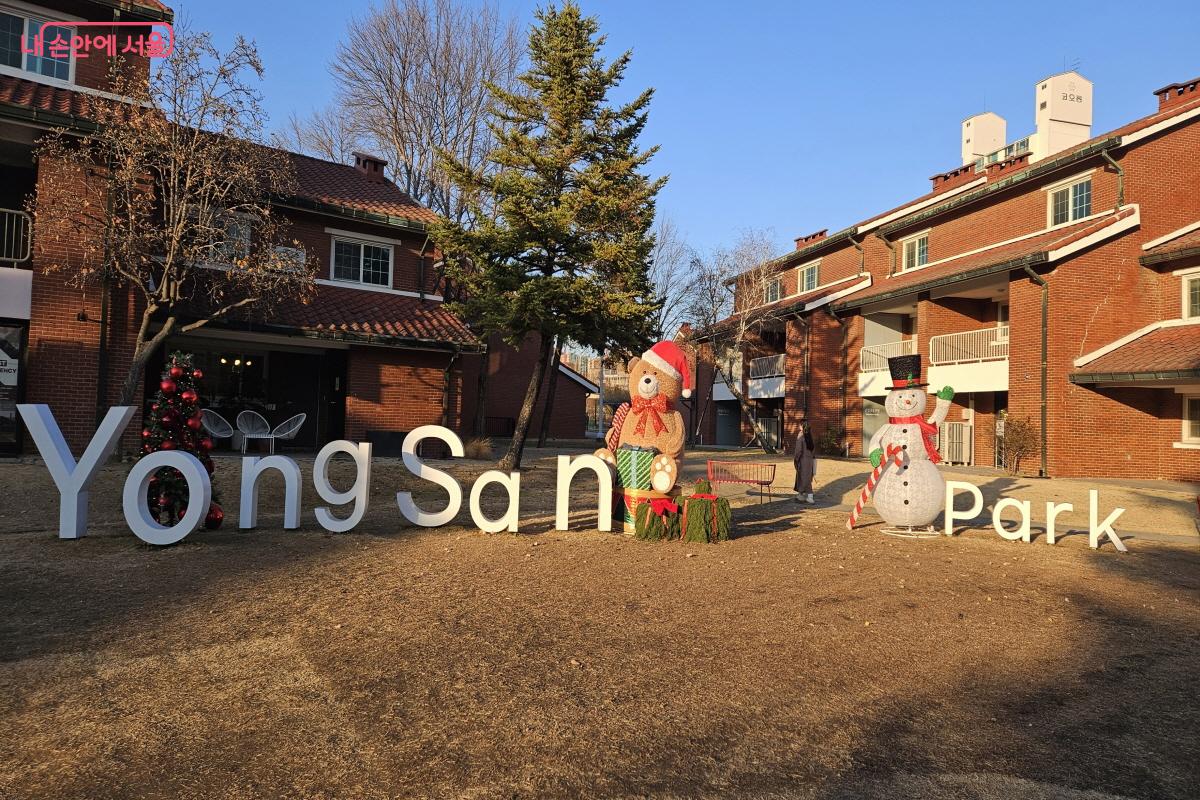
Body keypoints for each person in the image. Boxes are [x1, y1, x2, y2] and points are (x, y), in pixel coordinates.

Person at [793, 419, 816, 504]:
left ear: (802, 426)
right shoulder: (810, 435)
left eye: (800, 425)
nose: (799, 427)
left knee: (802, 477)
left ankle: (808, 496)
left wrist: (796, 459)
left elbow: (798, 450)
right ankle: (801, 495)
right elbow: (813, 449)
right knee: (807, 478)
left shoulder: (801, 435)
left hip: (802, 460)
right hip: (810, 460)